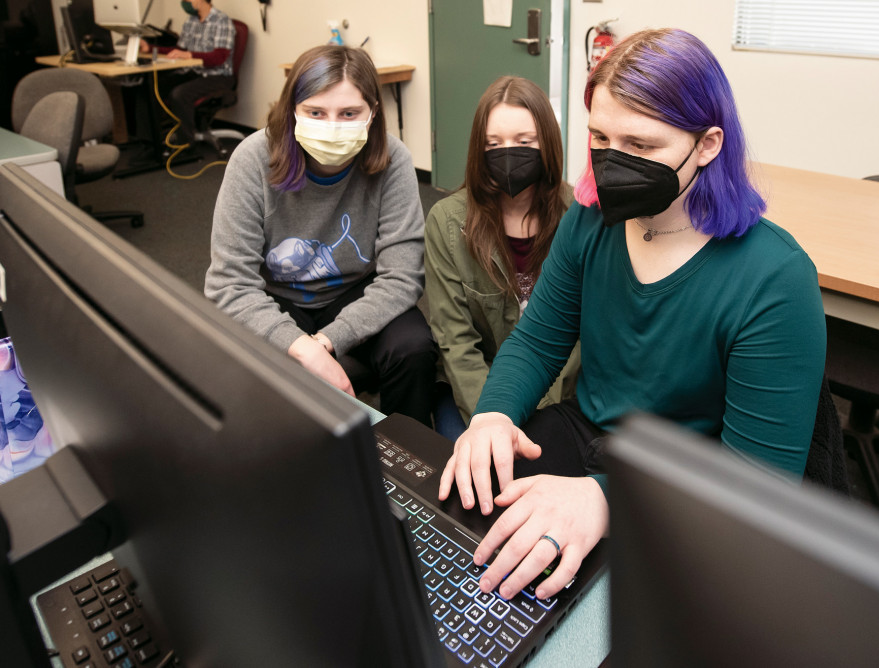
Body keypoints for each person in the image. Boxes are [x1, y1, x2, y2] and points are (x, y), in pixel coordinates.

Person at [437, 28, 827, 602]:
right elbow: (538, 341)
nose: (613, 162)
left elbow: (756, 488)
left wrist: (605, 497)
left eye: (641, 147)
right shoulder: (590, 221)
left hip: (692, 476)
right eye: (599, 136)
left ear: (708, 144)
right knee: (465, 525)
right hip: (588, 432)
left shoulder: (774, 279)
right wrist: (493, 416)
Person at [204, 44, 437, 426]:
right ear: (292, 110)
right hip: (277, 297)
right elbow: (229, 284)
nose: (332, 125)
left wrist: (328, 341)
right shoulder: (252, 158)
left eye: (349, 113)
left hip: (354, 291)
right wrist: (302, 350)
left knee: (413, 348)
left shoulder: (393, 159)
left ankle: (408, 464)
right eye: (315, 112)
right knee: (237, 368)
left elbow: (402, 276)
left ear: (373, 113)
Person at [424, 76, 581, 440]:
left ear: (548, 143)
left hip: (559, 390)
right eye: (493, 144)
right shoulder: (448, 221)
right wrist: (495, 419)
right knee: (473, 481)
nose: (508, 153)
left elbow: (579, 341)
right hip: (478, 386)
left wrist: (540, 417)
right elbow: (455, 340)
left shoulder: (579, 216)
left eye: (524, 142)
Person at [140, 0, 235, 145]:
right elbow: (180, 51)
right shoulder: (191, 21)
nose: (185, 2)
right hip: (192, 72)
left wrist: (191, 55)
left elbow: (219, 57)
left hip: (218, 76)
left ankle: (186, 145)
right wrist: (151, 48)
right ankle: (150, 144)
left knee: (179, 94)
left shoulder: (221, 21)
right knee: (151, 87)